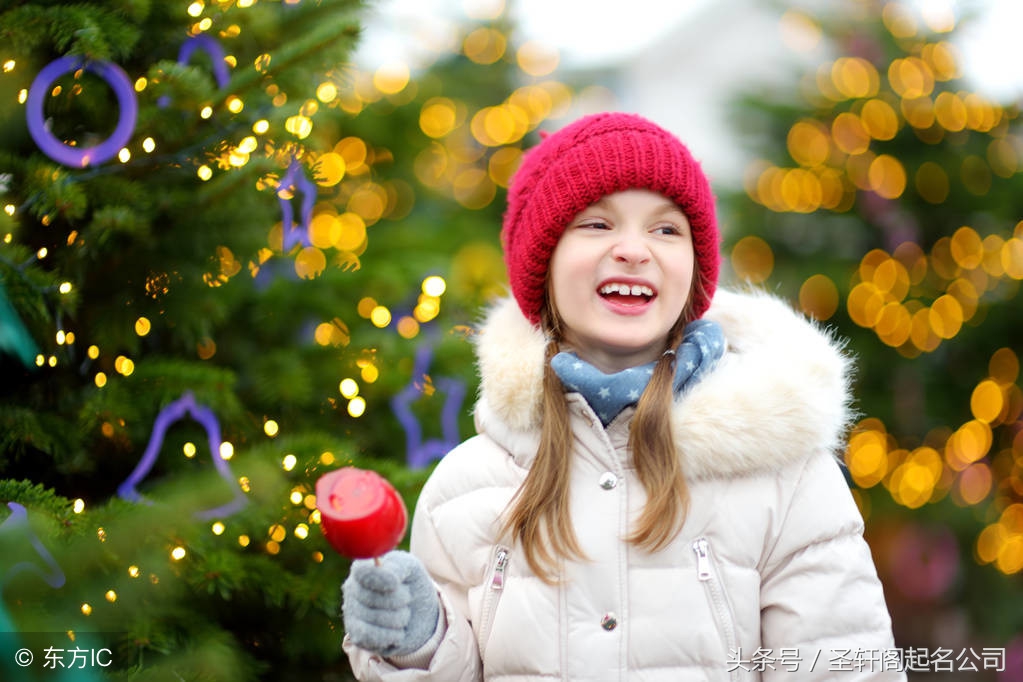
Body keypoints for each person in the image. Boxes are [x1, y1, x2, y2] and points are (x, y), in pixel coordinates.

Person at [340, 112, 903, 681]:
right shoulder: (467, 489)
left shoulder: (784, 475)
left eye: (665, 229)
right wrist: (418, 647)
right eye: (596, 224)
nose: (634, 250)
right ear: (544, 264)